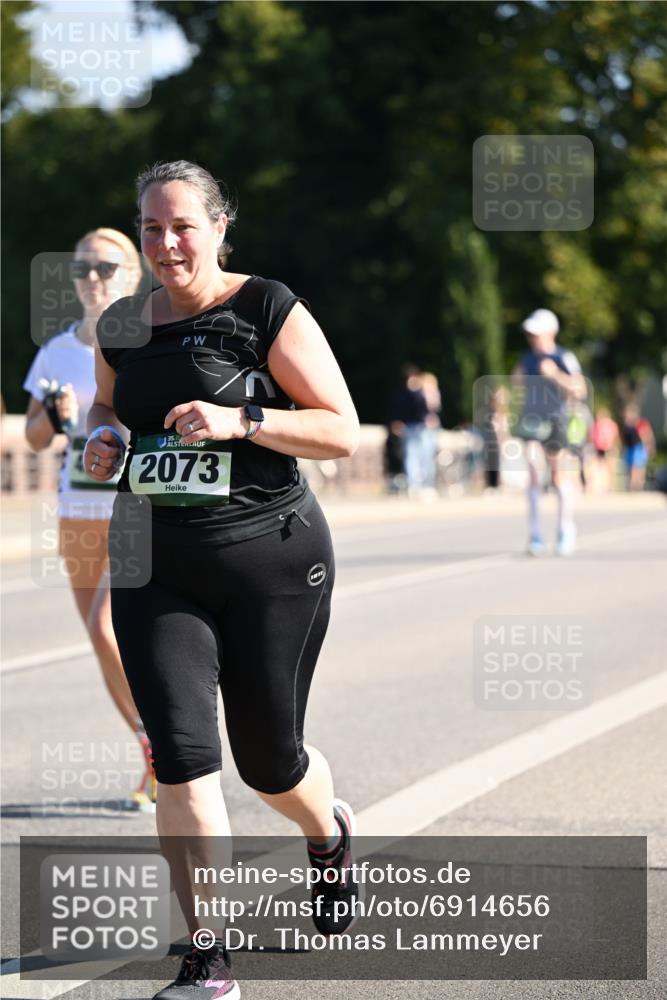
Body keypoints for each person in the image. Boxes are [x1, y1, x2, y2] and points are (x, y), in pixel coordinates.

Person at [83, 160, 361, 1000]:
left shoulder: (265, 307)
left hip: (270, 559)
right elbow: (106, 407)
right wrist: (103, 439)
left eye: (182, 227)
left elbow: (340, 430)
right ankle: (207, 958)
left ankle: (326, 834)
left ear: (218, 226)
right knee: (182, 760)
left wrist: (243, 419)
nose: (165, 244)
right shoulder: (122, 324)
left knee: (269, 765)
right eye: (151, 228)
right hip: (154, 562)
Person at [23, 227, 156, 811]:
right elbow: (34, 437)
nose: (93, 279)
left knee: (108, 629)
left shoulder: (147, 340)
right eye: (82, 270)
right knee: (100, 645)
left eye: (105, 268)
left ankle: (168, 737)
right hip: (77, 511)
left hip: (131, 507)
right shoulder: (56, 351)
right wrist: (55, 416)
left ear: (131, 275)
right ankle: (151, 748)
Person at [512, 308, 587, 556]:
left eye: (537, 333)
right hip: (532, 420)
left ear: (551, 332)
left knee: (558, 476)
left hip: (556, 419)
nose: (532, 338)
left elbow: (580, 389)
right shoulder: (526, 359)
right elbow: (516, 384)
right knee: (534, 471)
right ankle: (535, 535)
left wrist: (554, 375)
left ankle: (565, 529)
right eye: (530, 334)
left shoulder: (564, 356)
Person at [389, 364, 430, 497]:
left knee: (422, 456)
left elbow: (426, 410)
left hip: (420, 427)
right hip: (410, 427)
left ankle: (422, 484)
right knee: (411, 456)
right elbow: (399, 410)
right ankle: (413, 484)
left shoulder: (420, 393)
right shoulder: (403, 393)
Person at [620, 402, 655, 491]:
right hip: (630, 448)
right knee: (631, 467)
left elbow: (646, 436)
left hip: (639, 448)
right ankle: (633, 484)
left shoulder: (641, 424)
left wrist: (649, 448)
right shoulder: (626, 426)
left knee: (638, 467)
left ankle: (637, 485)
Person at [591, 406, 620, 493]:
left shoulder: (610, 424)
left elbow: (615, 437)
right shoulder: (598, 424)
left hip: (608, 448)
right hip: (600, 448)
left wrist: (614, 447)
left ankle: (609, 487)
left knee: (609, 468)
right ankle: (603, 486)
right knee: (601, 468)